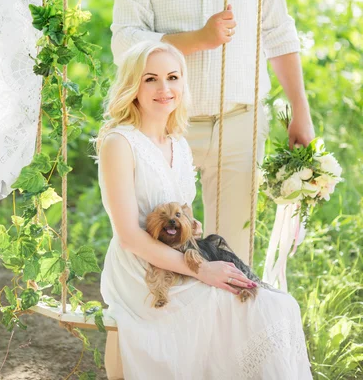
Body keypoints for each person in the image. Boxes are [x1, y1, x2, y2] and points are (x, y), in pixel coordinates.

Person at [110, 0, 315, 262]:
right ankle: (160, 326)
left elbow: (278, 32)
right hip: (162, 127)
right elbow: (125, 43)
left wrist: (300, 110)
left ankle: (229, 327)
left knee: (233, 250)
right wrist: (197, 39)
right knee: (164, 247)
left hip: (238, 120)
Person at [97, 40, 312, 380]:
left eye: (173, 77)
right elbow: (129, 238)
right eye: (150, 79)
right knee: (234, 307)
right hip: (142, 272)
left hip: (184, 260)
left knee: (279, 305)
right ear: (133, 86)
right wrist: (201, 271)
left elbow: (183, 213)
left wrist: (189, 228)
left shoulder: (179, 145)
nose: (164, 88)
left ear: (183, 83)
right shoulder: (119, 143)